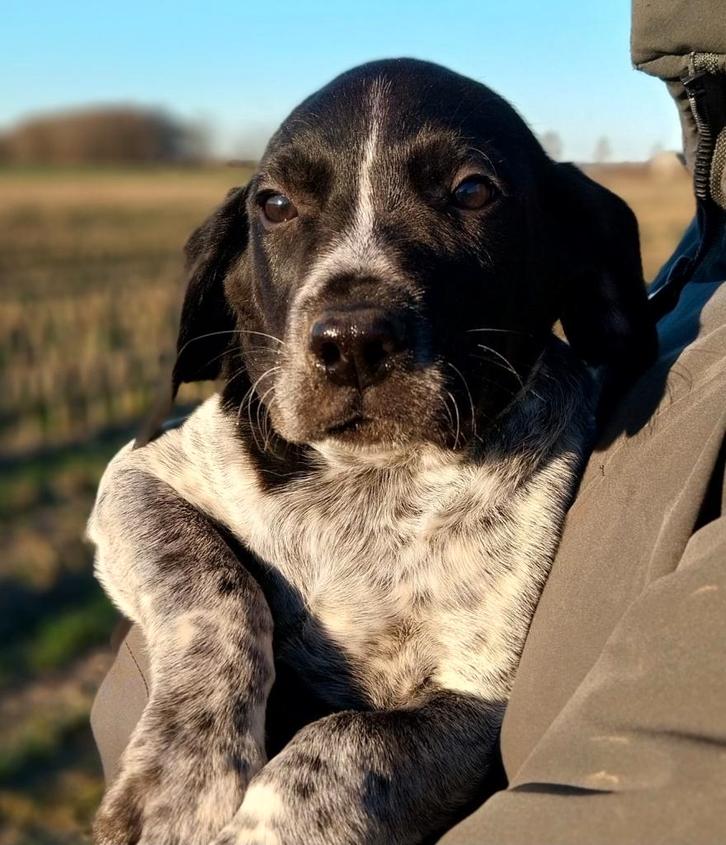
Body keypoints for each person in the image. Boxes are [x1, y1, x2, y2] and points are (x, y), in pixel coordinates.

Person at [91, 2, 726, 841]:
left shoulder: (584, 435)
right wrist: (211, 656)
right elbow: (132, 484)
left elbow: (471, 714)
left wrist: (322, 791)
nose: (350, 322)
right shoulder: (242, 435)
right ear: (239, 274)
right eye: (282, 208)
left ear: (568, 244)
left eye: (466, 193)